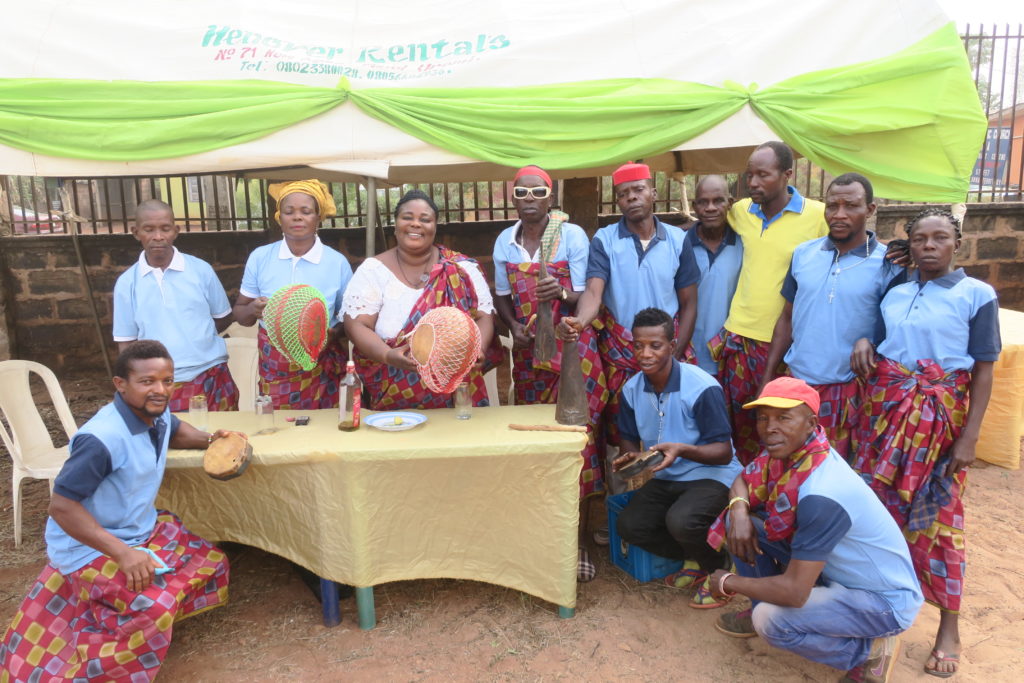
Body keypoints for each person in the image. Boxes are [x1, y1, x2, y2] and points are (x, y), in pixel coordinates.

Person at [0, 341, 239, 682]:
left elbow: (174, 427)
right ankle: (101, 667)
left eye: (167, 381)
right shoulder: (101, 439)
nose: (160, 390)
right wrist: (123, 553)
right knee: (154, 610)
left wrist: (211, 439)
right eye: (147, 382)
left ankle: (120, 616)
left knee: (211, 560)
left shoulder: (152, 413)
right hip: (89, 546)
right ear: (120, 384)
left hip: (138, 530)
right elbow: (62, 507)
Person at [851, 208, 1000, 678]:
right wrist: (862, 340)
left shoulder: (978, 295)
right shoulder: (896, 290)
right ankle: (878, 613)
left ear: (958, 242)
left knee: (941, 518)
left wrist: (969, 437)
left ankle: (947, 626)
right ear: (909, 244)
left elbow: (983, 369)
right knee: (879, 512)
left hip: (939, 424)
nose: (929, 246)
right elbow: (882, 342)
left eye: (939, 238)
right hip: (886, 415)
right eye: (919, 239)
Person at [705, 377, 923, 683]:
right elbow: (742, 480)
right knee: (741, 522)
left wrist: (729, 581)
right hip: (839, 572)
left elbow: (794, 593)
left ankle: (870, 649)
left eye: (783, 417)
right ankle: (764, 604)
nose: (770, 428)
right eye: (763, 418)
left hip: (882, 601)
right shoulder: (794, 453)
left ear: (811, 423)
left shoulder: (823, 492)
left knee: (770, 621)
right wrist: (739, 509)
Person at [558, 162, 699, 448]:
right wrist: (580, 322)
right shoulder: (605, 240)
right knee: (624, 428)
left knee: (671, 425)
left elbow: (689, 303)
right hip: (622, 352)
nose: (632, 197)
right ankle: (627, 488)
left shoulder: (678, 240)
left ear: (653, 193)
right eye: (623, 193)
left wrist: (676, 354)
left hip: (667, 350)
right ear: (618, 201)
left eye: (638, 190)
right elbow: (594, 293)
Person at [759, 173, 899, 460]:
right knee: (788, 466)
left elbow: (899, 329)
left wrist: (871, 342)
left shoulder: (889, 264)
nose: (839, 214)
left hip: (849, 391)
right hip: (797, 384)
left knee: (838, 469)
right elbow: (786, 318)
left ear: (870, 210)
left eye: (851, 206)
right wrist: (768, 376)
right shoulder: (803, 254)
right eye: (832, 206)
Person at [492, 165, 608, 500]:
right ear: (512, 198)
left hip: (571, 342)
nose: (530, 198)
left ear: (550, 198)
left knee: (578, 427)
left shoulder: (570, 236)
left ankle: (581, 507)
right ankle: (543, 501)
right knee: (538, 423)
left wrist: (559, 293)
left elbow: (585, 295)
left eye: (538, 192)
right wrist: (514, 327)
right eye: (522, 192)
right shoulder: (504, 241)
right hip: (532, 349)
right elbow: (502, 294)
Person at [612, 308, 740, 608]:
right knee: (630, 525)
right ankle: (694, 557)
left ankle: (720, 569)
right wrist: (630, 456)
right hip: (667, 475)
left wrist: (682, 449)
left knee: (681, 521)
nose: (645, 353)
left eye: (655, 345)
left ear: (672, 346)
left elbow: (723, 453)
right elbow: (628, 437)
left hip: (712, 475)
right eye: (638, 345)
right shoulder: (631, 389)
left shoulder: (702, 387)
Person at [711, 142, 828, 465]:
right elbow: (704, 226)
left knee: (780, 429)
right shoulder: (741, 211)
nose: (753, 183)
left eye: (763, 175)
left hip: (783, 344)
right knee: (740, 425)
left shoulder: (818, 216)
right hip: (737, 338)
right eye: (750, 175)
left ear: (787, 175)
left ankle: (778, 493)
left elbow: (853, 243)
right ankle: (745, 492)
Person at [344, 189, 500, 409]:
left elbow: (483, 317)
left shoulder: (462, 268)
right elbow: (357, 325)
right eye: (407, 217)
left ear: (434, 227)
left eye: (425, 219)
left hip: (458, 391)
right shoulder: (373, 271)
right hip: (392, 393)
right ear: (396, 224)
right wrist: (388, 355)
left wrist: (478, 350)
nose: (416, 224)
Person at [233, 180, 353, 409]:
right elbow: (240, 313)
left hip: (320, 364)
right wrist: (252, 309)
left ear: (318, 217)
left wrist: (332, 334)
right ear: (279, 217)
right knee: (277, 427)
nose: (297, 217)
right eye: (289, 211)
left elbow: (349, 319)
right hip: (275, 367)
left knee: (323, 429)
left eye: (306, 211)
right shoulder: (260, 258)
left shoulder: (336, 263)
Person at [113, 199, 238, 411]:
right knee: (170, 442)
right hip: (159, 383)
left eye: (165, 228)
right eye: (149, 229)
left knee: (223, 439)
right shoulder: (127, 283)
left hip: (209, 372)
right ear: (136, 233)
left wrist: (197, 340)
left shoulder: (201, 270)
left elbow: (223, 317)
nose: (158, 237)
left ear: (176, 231)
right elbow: (127, 342)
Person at [685, 175, 743, 378]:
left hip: (731, 355)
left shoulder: (746, 245)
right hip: (688, 355)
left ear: (730, 203)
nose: (710, 208)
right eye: (703, 202)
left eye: (718, 200)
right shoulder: (680, 245)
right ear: (694, 206)